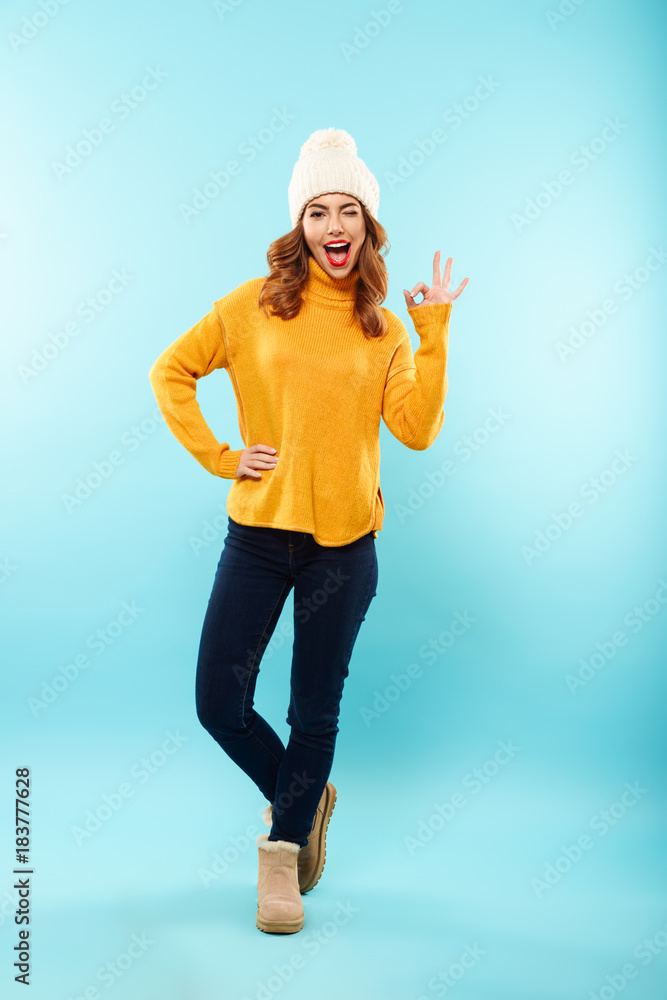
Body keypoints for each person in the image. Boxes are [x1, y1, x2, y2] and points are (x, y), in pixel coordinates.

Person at [148, 127, 469, 935]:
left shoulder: (385, 327)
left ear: (366, 226)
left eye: (348, 210)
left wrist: (431, 337)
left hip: (343, 549)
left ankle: (281, 856)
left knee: (312, 715)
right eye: (318, 211)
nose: (334, 226)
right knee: (219, 701)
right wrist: (223, 457)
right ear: (300, 225)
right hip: (258, 535)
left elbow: (417, 430)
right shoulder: (250, 307)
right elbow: (171, 371)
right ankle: (305, 791)